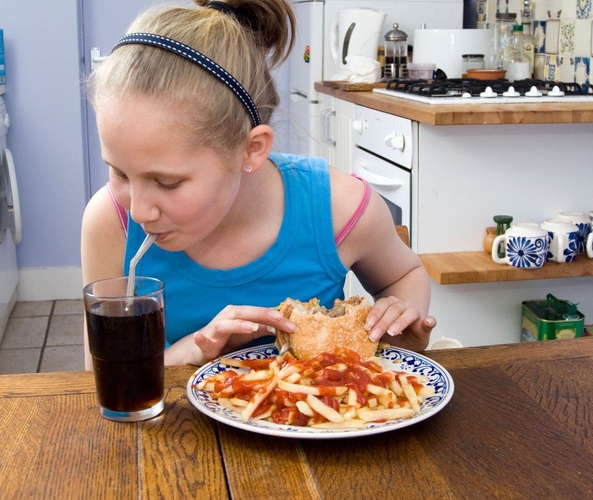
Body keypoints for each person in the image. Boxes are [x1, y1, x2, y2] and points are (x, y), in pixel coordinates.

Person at [82, 0, 435, 367]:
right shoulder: (112, 221)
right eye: (119, 173)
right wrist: (195, 350)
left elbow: (405, 276)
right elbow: (101, 378)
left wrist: (399, 316)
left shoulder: (338, 208)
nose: (139, 210)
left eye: (167, 182)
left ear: (251, 149)